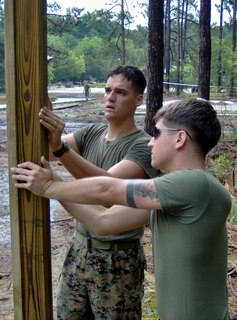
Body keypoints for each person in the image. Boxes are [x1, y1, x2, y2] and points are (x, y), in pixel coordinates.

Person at [12, 98, 232, 320]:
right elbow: (103, 221)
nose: (150, 143)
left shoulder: (196, 185)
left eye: (156, 134)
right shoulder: (175, 199)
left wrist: (50, 187)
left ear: (180, 138)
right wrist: (54, 182)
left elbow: (108, 188)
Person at [36, 65, 158, 319]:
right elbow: (47, 150)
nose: (110, 98)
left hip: (117, 260)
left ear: (138, 100)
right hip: (78, 250)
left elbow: (107, 188)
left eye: (121, 93)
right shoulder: (91, 133)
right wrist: (42, 113)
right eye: (107, 90)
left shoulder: (143, 146)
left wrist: (60, 151)